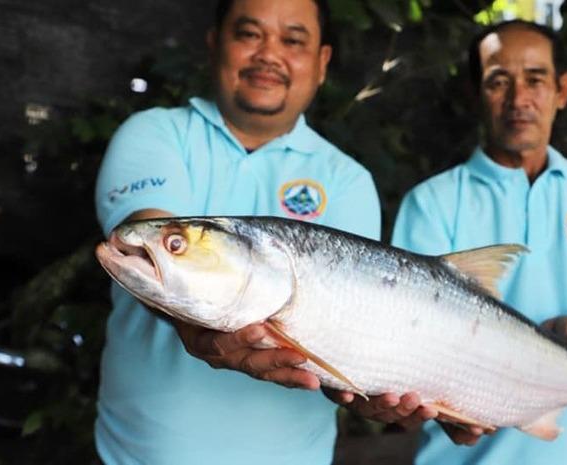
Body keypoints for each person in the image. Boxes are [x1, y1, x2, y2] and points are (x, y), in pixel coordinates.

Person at [93, 0, 380, 463]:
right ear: (215, 44)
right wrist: (196, 322)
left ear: (322, 62)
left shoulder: (349, 181)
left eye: (292, 40)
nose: (269, 54)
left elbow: (344, 332)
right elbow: (145, 239)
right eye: (250, 34)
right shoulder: (154, 133)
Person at [388, 20, 567, 465]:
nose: (519, 100)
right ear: (476, 94)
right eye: (499, 81)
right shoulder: (432, 200)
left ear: (563, 89)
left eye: (535, 79)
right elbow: (408, 348)